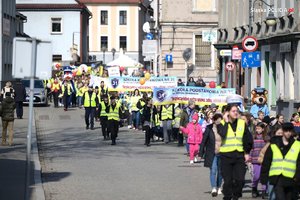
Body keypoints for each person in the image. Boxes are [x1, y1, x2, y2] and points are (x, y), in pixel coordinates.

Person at [218, 104, 253, 200]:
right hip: (226, 156)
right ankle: (227, 197)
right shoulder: (221, 123)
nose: (236, 112)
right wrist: (225, 121)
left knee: (240, 180)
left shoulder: (242, 123)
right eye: (233, 111)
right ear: (227, 112)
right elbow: (223, 134)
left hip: (239, 156)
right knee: (228, 181)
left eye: (237, 111)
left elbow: (248, 139)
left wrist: (246, 152)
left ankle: (236, 196)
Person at [260, 122, 300, 200]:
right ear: (282, 131)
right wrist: (264, 178)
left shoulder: (297, 145)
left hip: (292, 179)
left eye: (290, 131)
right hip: (277, 178)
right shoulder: (274, 144)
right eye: (286, 130)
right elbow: (267, 161)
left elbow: (299, 163)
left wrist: (297, 177)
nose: (288, 133)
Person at [199, 113, 224, 197]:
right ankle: (213, 188)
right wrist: (200, 153)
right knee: (213, 170)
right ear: (214, 120)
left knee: (220, 171)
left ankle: (219, 187)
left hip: (222, 153)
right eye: (217, 119)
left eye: (220, 119)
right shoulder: (209, 128)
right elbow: (203, 141)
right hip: (212, 153)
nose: (219, 121)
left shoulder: (224, 128)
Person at [258, 126, 283, 200]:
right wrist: (263, 178)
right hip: (272, 175)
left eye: (282, 133)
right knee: (273, 196)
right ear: (274, 134)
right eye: (279, 133)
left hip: (285, 176)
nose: (281, 135)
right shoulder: (270, 145)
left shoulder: (289, 145)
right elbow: (265, 162)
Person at [249, 122, 268, 198]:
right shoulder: (253, 137)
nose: (257, 130)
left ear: (263, 129)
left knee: (264, 176)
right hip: (255, 159)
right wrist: (249, 158)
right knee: (256, 176)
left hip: (264, 160)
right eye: (256, 128)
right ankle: (254, 188)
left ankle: (264, 191)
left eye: (259, 128)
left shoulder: (266, 138)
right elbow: (250, 148)